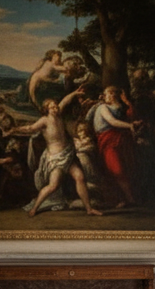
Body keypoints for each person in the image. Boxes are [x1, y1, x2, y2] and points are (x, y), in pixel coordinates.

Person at [9, 89, 102, 217]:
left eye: (56, 106)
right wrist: (15, 129)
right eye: (52, 107)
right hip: (55, 158)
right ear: (46, 109)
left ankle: (89, 209)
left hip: (67, 154)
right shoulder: (44, 120)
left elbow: (65, 101)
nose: (56, 108)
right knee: (53, 185)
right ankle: (35, 207)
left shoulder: (59, 115)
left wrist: (75, 93)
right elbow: (30, 128)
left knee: (80, 177)